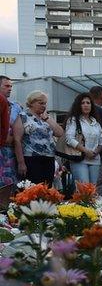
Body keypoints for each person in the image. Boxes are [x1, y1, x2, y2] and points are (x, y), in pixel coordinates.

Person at [18, 91, 63, 185]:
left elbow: (60, 133)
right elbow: (17, 140)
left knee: (47, 189)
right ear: (31, 103)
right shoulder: (22, 116)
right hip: (31, 159)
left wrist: (47, 119)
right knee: (33, 189)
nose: (44, 106)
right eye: (41, 103)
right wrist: (21, 162)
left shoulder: (46, 118)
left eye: (45, 103)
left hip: (49, 158)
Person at [63, 93, 102, 188]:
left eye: (88, 103)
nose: (86, 105)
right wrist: (86, 151)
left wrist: (95, 152)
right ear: (78, 105)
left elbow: (101, 141)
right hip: (79, 159)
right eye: (83, 103)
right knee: (83, 190)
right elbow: (69, 139)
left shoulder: (95, 122)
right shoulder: (73, 120)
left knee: (93, 190)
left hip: (95, 159)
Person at [1, 76, 23, 204]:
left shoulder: (15, 107)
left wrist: (21, 161)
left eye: (11, 86)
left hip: (9, 153)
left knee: (9, 186)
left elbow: (18, 135)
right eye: (6, 86)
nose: (10, 89)